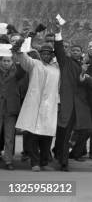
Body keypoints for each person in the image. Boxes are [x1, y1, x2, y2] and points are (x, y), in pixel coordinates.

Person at [13, 38, 60, 171]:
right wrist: (20, 44)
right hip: (34, 106)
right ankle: (34, 163)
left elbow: (59, 87)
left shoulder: (57, 69)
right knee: (32, 136)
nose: (45, 55)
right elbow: (23, 57)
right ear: (40, 54)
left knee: (47, 136)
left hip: (49, 107)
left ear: (52, 55)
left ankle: (44, 162)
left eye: (48, 53)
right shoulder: (34, 64)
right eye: (43, 53)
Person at [53, 25, 92, 172]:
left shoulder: (84, 66)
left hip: (81, 106)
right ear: (70, 52)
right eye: (73, 51)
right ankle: (63, 162)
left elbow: (84, 84)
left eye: (78, 51)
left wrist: (84, 78)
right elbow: (58, 49)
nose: (76, 52)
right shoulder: (65, 62)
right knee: (64, 135)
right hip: (68, 104)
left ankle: (72, 153)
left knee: (87, 130)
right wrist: (58, 33)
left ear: (81, 53)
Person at [0, 44, 25, 170]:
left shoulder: (16, 72)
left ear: (12, 62)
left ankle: (8, 160)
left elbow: (23, 69)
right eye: (3, 61)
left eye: (8, 61)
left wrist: (17, 53)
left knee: (9, 137)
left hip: (10, 109)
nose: (6, 63)